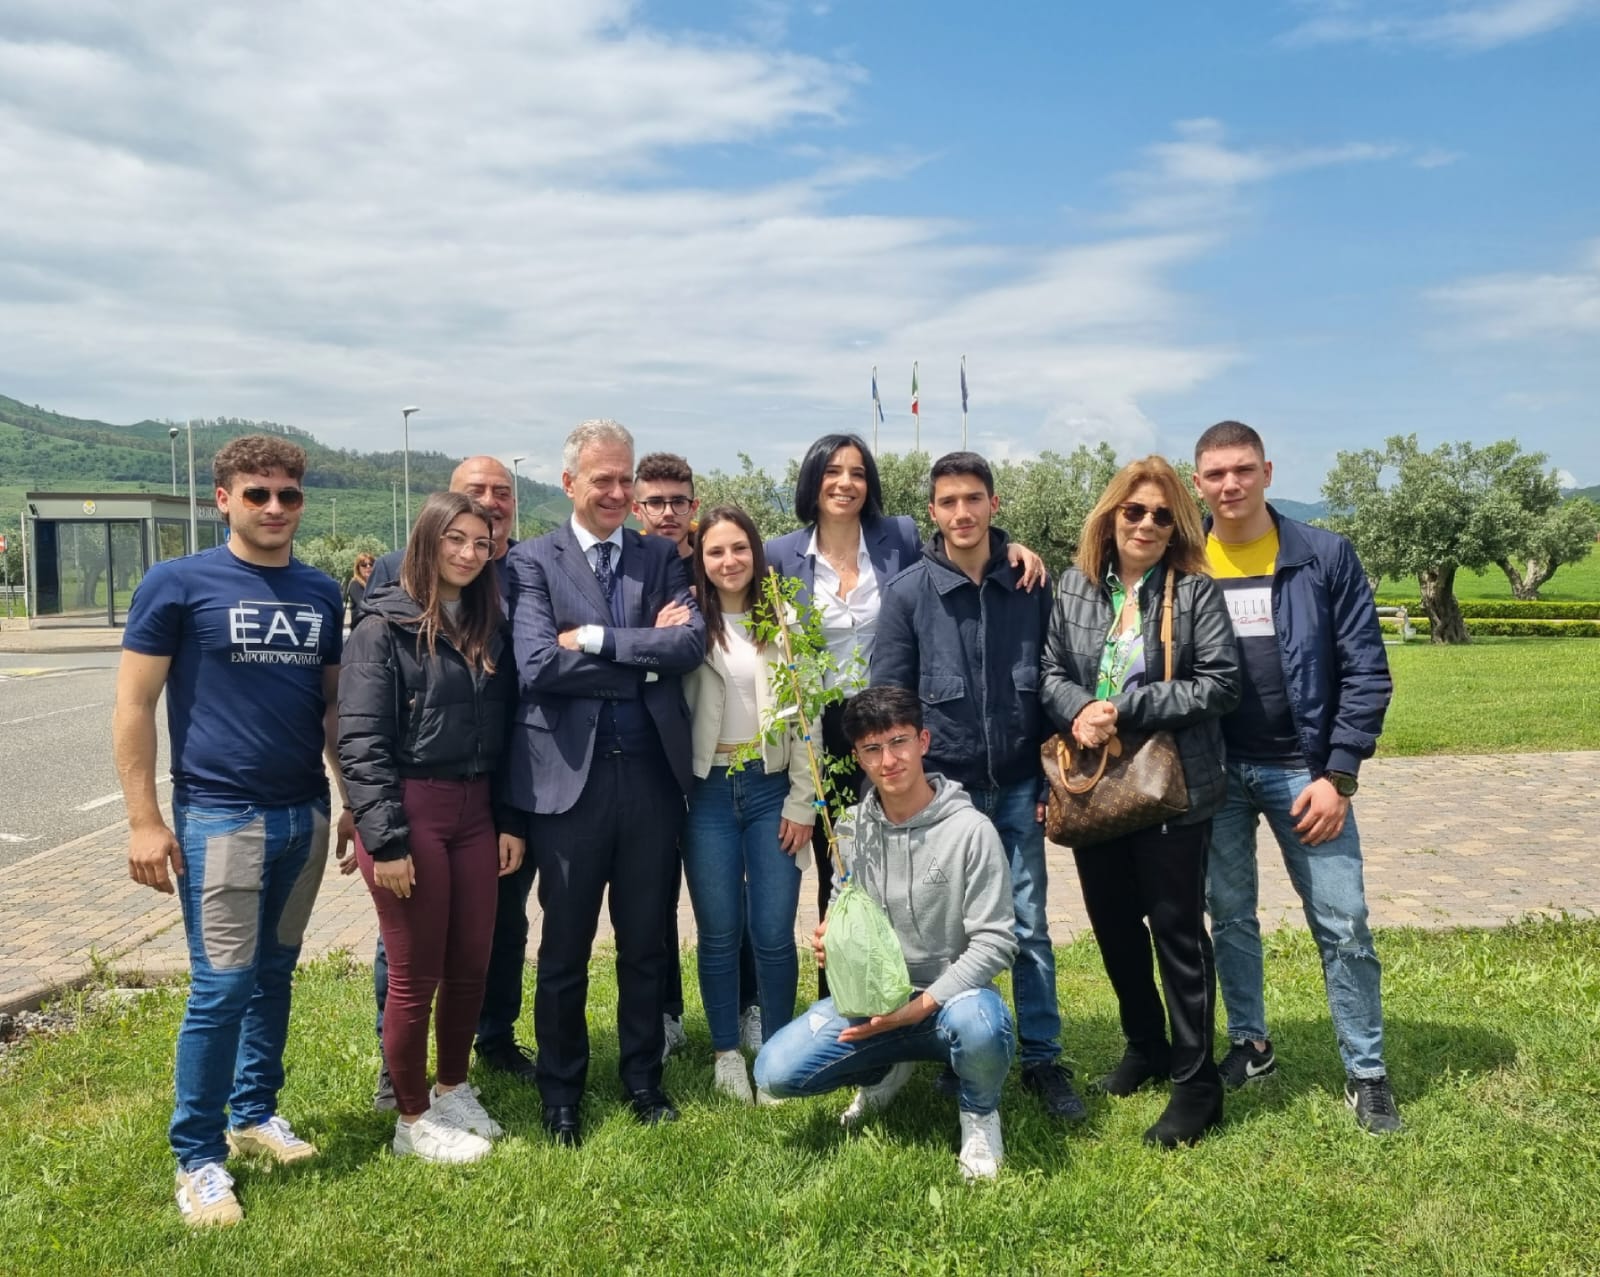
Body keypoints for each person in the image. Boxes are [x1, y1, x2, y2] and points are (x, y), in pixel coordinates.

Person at [113, 434, 351, 1227]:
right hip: (219, 815)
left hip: (303, 814)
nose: (275, 507)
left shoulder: (320, 592)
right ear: (224, 499)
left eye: (288, 494)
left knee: (276, 971)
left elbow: (331, 708)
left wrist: (349, 799)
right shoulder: (178, 584)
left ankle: (253, 1114)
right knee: (220, 987)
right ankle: (198, 1155)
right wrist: (144, 820)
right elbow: (134, 706)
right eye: (258, 494)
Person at [766, 434, 1044, 998]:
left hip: (897, 728)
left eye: (858, 472)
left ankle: (928, 1006)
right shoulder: (779, 555)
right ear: (811, 480)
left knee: (913, 877)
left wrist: (1014, 548)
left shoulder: (898, 537)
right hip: (826, 732)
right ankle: (845, 997)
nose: (845, 482)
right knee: (844, 870)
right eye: (832, 471)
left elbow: (964, 547)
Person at [1193, 420, 1401, 1133]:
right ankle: (1250, 1043)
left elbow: (1368, 670)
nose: (1230, 484)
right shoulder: (1186, 558)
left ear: (1268, 471)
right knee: (1232, 916)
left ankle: (1366, 1071)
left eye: (1243, 469)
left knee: (1344, 922)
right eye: (1216, 473)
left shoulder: (1322, 555)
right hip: (1216, 771)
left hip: (1304, 772)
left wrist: (1338, 772)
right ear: (1199, 482)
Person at [504, 419, 705, 1147]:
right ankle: (562, 1092)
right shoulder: (531, 561)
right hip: (566, 786)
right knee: (563, 948)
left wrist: (594, 641)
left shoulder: (659, 556)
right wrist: (642, 659)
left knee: (646, 942)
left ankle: (643, 1078)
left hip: (652, 777)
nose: (620, 492)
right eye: (604, 480)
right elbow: (536, 665)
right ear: (569, 484)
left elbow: (686, 645)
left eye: (627, 479)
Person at [871, 450, 1085, 1122]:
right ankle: (953, 1047)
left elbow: (1054, 682)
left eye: (973, 498)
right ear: (931, 511)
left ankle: (1043, 1057)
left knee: (1028, 925)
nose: (962, 512)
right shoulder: (909, 593)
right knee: (949, 933)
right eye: (948, 501)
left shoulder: (1030, 583)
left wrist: (1056, 774)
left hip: (1021, 784)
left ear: (993, 504)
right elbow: (890, 697)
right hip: (946, 797)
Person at [1039, 456, 1240, 1148]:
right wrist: (1078, 711)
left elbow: (1219, 683)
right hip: (1096, 789)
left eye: (1162, 514)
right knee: (1116, 924)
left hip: (1172, 786)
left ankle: (1197, 1083)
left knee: (1178, 932)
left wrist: (1122, 706)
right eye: (1135, 511)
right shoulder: (1075, 587)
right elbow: (1048, 672)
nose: (1148, 524)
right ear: (1110, 515)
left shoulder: (1195, 591)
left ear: (1177, 523)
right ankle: (1145, 1045)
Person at [754, 686, 1019, 1181]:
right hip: (873, 1001)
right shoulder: (851, 830)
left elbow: (996, 942)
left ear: (923, 741)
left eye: (898, 742)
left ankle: (979, 1114)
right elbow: (840, 906)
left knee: (983, 1026)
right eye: (872, 749)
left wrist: (916, 1010)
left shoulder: (971, 831)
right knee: (773, 1072)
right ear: (857, 756)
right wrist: (830, 939)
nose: (888, 760)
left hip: (949, 1002)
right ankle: (885, 1069)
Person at [338, 492, 526, 1164]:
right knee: (415, 975)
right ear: (427, 540)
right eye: (457, 539)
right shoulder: (380, 628)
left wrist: (505, 818)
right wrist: (383, 839)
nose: (471, 553)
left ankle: (452, 1088)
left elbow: (502, 735)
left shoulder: (485, 624)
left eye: (482, 541)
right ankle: (411, 1120)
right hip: (411, 807)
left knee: (471, 965)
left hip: (477, 811)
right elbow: (360, 742)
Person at [682, 505, 815, 1103]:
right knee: (718, 931)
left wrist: (802, 802)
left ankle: (779, 1049)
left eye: (739, 548)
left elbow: (808, 719)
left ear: (756, 554)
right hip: (708, 790)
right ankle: (725, 1052)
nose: (729, 561)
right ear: (701, 560)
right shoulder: (684, 620)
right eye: (715, 551)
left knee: (772, 931)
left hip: (772, 789)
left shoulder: (785, 618)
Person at [633, 453, 763, 1058]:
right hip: (647, 760)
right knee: (654, 897)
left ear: (693, 505)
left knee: (726, 897)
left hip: (720, 766)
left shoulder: (718, 560)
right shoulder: (627, 567)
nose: (666, 513)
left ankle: (746, 1007)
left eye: (677, 501)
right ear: (637, 505)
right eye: (654, 501)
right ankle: (666, 1013)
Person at [346, 552, 375, 627]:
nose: (368, 567)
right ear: (358, 568)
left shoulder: (375, 583)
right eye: (364, 565)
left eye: (371, 564)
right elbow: (363, 605)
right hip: (360, 627)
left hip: (373, 625)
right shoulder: (355, 584)